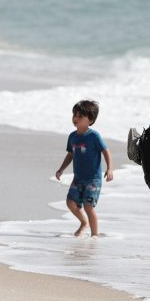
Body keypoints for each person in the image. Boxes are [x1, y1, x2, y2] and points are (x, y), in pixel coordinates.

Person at [55, 100, 113, 237]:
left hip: (93, 179)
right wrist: (61, 169)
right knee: (70, 202)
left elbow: (106, 151)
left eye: (80, 116)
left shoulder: (94, 136)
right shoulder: (72, 137)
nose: (75, 119)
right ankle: (83, 222)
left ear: (90, 120)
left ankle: (94, 235)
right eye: (74, 115)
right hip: (78, 178)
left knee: (88, 206)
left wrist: (110, 169)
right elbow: (70, 154)